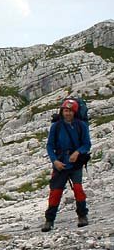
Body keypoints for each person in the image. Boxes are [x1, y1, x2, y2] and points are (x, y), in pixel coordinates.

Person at [42, 99, 91, 232]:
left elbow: (87, 144)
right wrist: (54, 161)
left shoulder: (81, 125)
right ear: (62, 111)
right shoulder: (56, 127)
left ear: (74, 112)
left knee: (78, 189)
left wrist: (77, 152)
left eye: (70, 111)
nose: (67, 113)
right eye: (65, 111)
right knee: (55, 192)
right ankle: (49, 220)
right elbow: (50, 146)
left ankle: (82, 216)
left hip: (75, 163)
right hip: (60, 163)